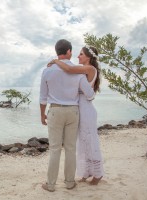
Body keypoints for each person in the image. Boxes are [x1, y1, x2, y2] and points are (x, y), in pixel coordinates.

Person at [39, 39, 95, 192]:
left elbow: (43, 97)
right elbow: (88, 93)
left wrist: (42, 115)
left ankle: (50, 185)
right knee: (70, 148)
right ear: (69, 51)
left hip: (55, 111)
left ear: (57, 52)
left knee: (55, 149)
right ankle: (69, 182)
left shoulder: (47, 70)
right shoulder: (78, 70)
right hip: (73, 111)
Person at [47, 45, 104, 185]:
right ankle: (86, 173)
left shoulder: (90, 69)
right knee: (82, 143)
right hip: (80, 109)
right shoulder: (83, 71)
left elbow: (69, 69)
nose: (78, 57)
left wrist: (55, 61)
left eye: (81, 54)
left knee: (90, 142)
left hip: (87, 110)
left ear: (89, 57)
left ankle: (98, 174)